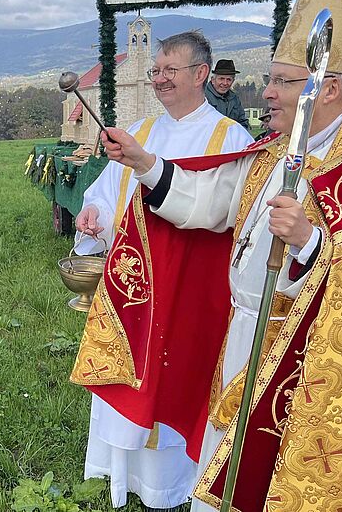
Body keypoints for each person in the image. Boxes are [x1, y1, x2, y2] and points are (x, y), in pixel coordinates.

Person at [72, 0, 342, 511]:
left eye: (281, 81)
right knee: (226, 462)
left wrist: (310, 244)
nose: (266, 91)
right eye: (270, 78)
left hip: (305, 351)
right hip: (242, 330)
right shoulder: (274, 151)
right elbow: (212, 202)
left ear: (326, 89)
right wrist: (147, 164)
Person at [71, 31, 253, 510]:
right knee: (132, 377)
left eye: (171, 70)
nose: (160, 79)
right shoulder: (144, 130)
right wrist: (93, 217)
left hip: (189, 292)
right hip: (136, 291)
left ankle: (173, 485)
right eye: (156, 71)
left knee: (177, 382)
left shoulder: (229, 137)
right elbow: (111, 194)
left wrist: (147, 170)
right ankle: (125, 476)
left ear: (201, 75)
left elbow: (218, 212)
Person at [204, 59, 249, 129]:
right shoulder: (202, 97)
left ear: (233, 81)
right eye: (221, 79)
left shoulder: (235, 99)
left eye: (228, 79)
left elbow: (243, 122)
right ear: (213, 80)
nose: (225, 83)